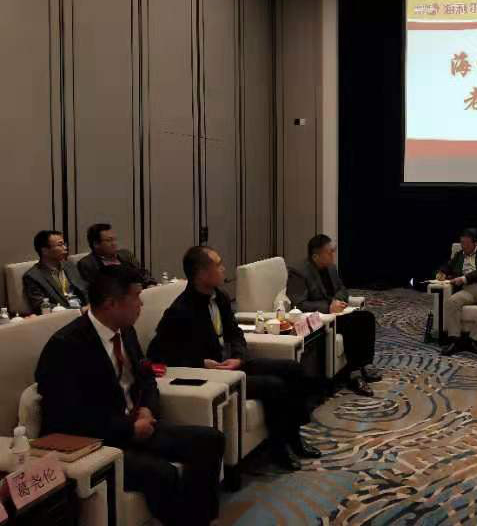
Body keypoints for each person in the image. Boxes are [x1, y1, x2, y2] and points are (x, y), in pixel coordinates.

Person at [35, 266, 224, 526]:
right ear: (111, 303)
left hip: (137, 423)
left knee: (210, 440)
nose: (141, 304)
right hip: (97, 441)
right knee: (162, 473)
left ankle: (201, 519)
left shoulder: (125, 330)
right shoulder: (66, 346)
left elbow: (146, 378)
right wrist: (129, 428)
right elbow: (69, 415)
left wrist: (147, 409)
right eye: (136, 296)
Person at [148, 246, 321, 471]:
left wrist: (239, 357)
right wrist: (201, 363)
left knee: (293, 369)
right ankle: (279, 449)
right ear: (201, 273)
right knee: (274, 386)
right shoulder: (180, 310)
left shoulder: (219, 296)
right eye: (218, 265)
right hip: (214, 375)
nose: (223, 269)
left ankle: (294, 436)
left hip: (233, 363)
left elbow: (235, 333)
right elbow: (158, 353)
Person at [287, 235, 381, 397]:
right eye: (329, 252)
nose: (333, 255)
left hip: (337, 312)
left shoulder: (331, 267)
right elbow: (299, 304)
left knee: (367, 317)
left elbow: (342, 289)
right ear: (316, 256)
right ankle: (354, 374)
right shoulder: (299, 272)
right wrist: (328, 307)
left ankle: (365, 364)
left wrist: (337, 300)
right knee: (352, 325)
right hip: (319, 319)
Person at [437, 228, 477, 357]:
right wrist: (442, 272)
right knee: (451, 302)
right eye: (462, 243)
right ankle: (454, 341)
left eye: (467, 243)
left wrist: (464, 278)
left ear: (475, 243)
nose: (464, 246)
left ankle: (473, 341)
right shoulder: (459, 255)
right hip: (467, 290)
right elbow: (448, 266)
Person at [23, 230, 88, 314]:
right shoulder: (33, 276)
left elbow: (85, 290)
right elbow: (40, 305)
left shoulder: (69, 266)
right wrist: (77, 311)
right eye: (60, 245)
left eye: (64, 244)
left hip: (86, 311)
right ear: (45, 251)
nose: (65, 248)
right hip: (63, 316)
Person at [78, 223, 157, 287]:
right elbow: (91, 291)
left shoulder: (125, 254)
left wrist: (150, 284)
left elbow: (142, 273)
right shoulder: (87, 264)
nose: (114, 244)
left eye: (114, 239)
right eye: (109, 240)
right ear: (96, 244)